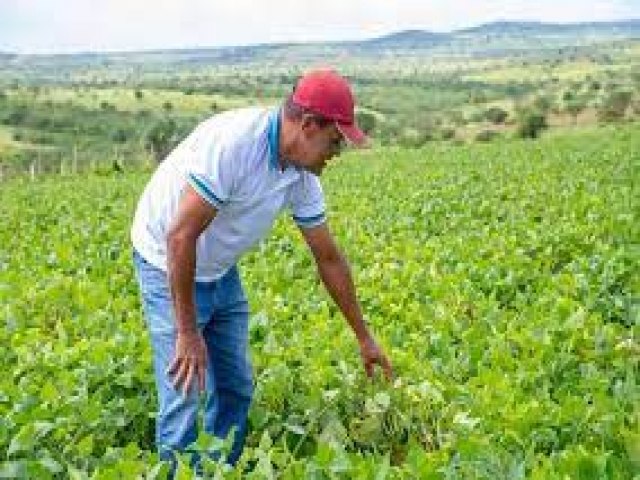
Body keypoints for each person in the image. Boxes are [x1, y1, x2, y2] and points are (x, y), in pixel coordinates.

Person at [130, 68, 393, 473]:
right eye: (334, 140)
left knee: (235, 387)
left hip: (218, 266)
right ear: (307, 125)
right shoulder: (235, 146)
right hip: (167, 260)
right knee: (184, 396)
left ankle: (220, 470)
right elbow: (180, 237)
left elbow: (329, 258)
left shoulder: (301, 175)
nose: (336, 152)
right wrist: (187, 332)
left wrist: (365, 338)